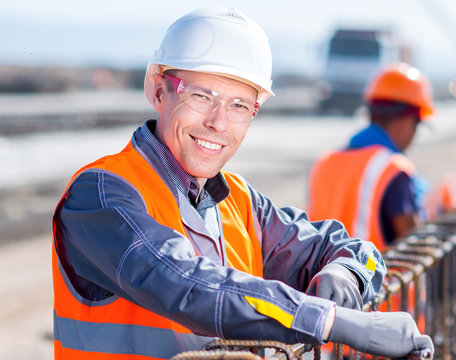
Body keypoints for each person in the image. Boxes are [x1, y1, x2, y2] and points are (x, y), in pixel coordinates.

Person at [51, 8, 434, 359]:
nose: (219, 123)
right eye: (201, 95)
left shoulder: (240, 202)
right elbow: (187, 286)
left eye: (239, 106)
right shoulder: (101, 195)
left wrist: (346, 272)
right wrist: (333, 322)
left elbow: (355, 249)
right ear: (157, 89)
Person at [308, 62, 435, 250]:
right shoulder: (393, 168)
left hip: (322, 277)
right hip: (375, 278)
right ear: (407, 121)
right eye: (417, 126)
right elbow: (414, 247)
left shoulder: (325, 161)